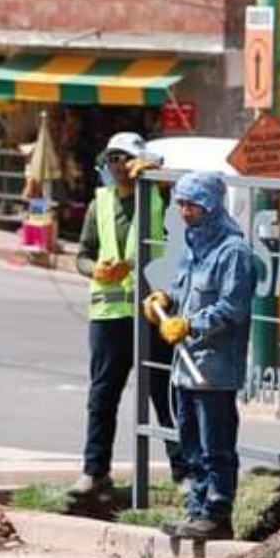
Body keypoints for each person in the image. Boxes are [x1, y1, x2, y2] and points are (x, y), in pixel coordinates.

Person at [68, 132, 187, 499]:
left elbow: (189, 196)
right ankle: (94, 471)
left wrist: (160, 173)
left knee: (163, 394)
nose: (119, 166)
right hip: (110, 314)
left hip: (153, 310)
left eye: (126, 159)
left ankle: (183, 472)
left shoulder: (159, 195)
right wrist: (96, 270)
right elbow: (82, 255)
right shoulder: (99, 204)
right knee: (103, 396)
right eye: (113, 159)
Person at [141, 172, 256, 541]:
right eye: (181, 203)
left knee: (215, 445)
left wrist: (190, 325)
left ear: (209, 205)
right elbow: (180, 290)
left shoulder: (233, 253)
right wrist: (164, 301)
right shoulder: (192, 246)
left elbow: (232, 308)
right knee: (190, 443)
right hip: (184, 367)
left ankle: (217, 513)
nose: (184, 211)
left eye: (191, 204)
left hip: (214, 369)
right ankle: (196, 509)